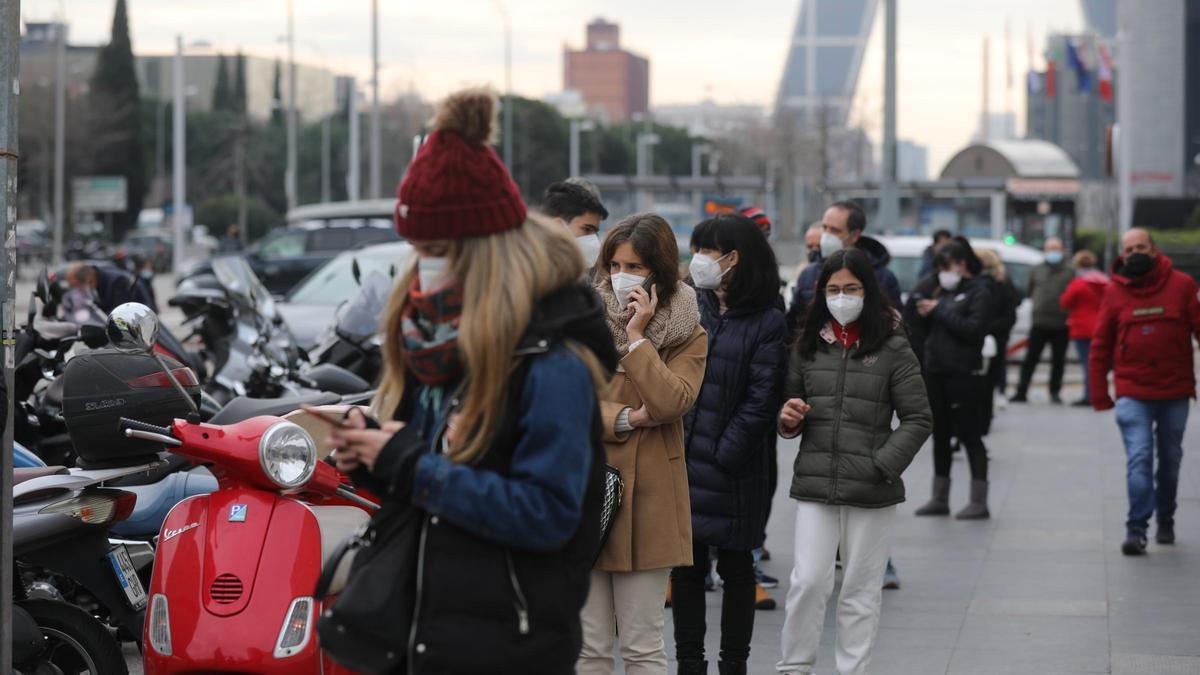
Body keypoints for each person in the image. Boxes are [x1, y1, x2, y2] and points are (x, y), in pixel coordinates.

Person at [325, 89, 620, 674]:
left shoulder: (550, 363)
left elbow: (546, 515)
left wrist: (407, 462)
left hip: (509, 646)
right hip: (429, 638)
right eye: (417, 248)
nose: (422, 265)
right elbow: (438, 500)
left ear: (484, 252)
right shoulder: (439, 350)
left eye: (436, 249)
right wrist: (375, 456)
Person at [776, 248, 931, 675]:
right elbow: (790, 406)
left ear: (869, 291)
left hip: (872, 486)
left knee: (860, 590)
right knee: (808, 582)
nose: (842, 297)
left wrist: (883, 464)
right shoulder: (807, 345)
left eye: (851, 288)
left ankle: (852, 669)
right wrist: (787, 419)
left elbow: (919, 417)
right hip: (816, 481)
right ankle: (795, 667)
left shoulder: (893, 345)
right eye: (833, 289)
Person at [579, 213, 708, 675]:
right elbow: (566, 405)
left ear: (659, 271)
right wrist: (627, 419)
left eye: (633, 266)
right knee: (589, 647)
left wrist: (637, 339)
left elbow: (673, 401)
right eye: (613, 265)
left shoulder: (687, 330)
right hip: (586, 492)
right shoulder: (584, 323)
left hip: (651, 500)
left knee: (642, 646)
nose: (620, 276)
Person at [672, 214, 786, 675]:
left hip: (736, 469)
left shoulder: (768, 320)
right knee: (686, 571)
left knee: (737, 568)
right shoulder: (688, 305)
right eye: (695, 247)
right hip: (681, 460)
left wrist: (723, 455)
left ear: (734, 258)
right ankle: (690, 664)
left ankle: (733, 664)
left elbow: (762, 401)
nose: (697, 258)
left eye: (706, 249)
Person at [1089, 228, 1200, 556]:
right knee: (1139, 459)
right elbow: (1100, 344)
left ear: (1154, 249)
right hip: (1132, 391)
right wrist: (1099, 393)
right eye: (1129, 248)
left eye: (1141, 246)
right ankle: (1136, 529)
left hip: (1175, 391)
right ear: (1122, 254)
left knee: (1170, 460)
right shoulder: (1113, 293)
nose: (1135, 252)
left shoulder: (1182, 286)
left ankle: (1166, 518)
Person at [912, 240, 995, 520]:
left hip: (964, 374)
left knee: (970, 436)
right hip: (936, 372)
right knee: (941, 435)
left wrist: (939, 311)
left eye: (946, 267)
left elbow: (973, 330)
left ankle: (978, 500)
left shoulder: (981, 291)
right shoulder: (944, 291)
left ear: (962, 263)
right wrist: (924, 312)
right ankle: (939, 497)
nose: (942, 274)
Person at [787, 202, 902, 331]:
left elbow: (894, 325)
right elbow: (794, 322)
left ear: (854, 235)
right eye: (825, 228)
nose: (826, 235)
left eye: (835, 230)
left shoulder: (882, 277)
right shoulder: (809, 274)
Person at [1011, 237, 1074, 403]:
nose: (1053, 252)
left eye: (1056, 248)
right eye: (1049, 248)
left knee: (1058, 361)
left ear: (1062, 250)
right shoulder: (1037, 269)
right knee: (1030, 359)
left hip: (1061, 323)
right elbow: (1030, 290)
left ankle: (1055, 392)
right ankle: (1021, 391)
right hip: (1039, 321)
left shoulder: (1070, 271)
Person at [975, 247, 1018, 433]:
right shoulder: (1001, 284)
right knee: (988, 383)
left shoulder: (996, 285)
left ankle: (980, 420)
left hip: (990, 338)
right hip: (993, 338)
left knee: (984, 382)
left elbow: (1008, 316)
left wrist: (983, 327)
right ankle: (983, 420)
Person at [1060, 250, 1108, 407]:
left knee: (1087, 363)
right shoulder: (1105, 281)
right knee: (1099, 363)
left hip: (1082, 328)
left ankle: (1088, 395)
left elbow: (1065, 302)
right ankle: (1099, 393)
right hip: (1101, 327)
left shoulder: (1078, 283)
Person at [542, 178, 609, 268]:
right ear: (557, 226)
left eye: (596, 232)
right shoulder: (526, 272)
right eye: (587, 229)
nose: (595, 241)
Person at [65, 262, 156, 314]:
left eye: (77, 286)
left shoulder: (117, 281)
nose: (78, 290)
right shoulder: (97, 281)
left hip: (142, 316)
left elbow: (119, 311)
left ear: (89, 279)